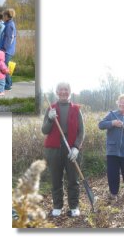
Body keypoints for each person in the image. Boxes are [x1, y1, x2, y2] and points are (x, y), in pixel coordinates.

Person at [41, 82, 84, 217]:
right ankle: (57, 206)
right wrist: (50, 119)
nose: (63, 92)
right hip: (53, 150)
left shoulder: (76, 109)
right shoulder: (50, 108)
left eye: (66, 90)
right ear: (57, 92)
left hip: (71, 149)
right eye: (60, 90)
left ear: (69, 92)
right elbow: (44, 130)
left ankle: (74, 206)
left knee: (73, 179)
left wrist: (76, 148)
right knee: (56, 179)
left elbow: (81, 132)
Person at [0, 9, 17, 91]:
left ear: (7, 16)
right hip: (6, 49)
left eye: (4, 15)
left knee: (4, 66)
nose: (3, 17)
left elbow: (10, 38)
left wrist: (4, 48)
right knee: (4, 65)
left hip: (7, 50)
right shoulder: (7, 23)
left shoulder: (10, 25)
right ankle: (10, 83)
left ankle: (8, 85)